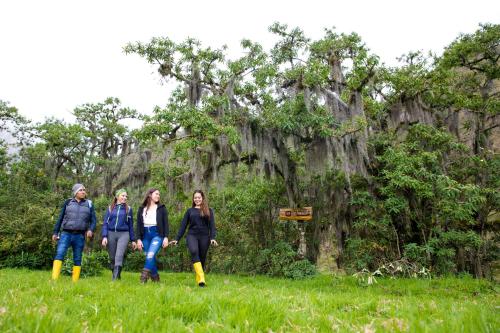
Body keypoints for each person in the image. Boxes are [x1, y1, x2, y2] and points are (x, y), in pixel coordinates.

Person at [170, 190, 218, 287]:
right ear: (193, 199)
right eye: (195, 197)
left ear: (202, 198)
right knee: (194, 251)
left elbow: (212, 226)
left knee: (202, 258)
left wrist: (212, 238)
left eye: (199, 197)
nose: (197, 199)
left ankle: (199, 279)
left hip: (205, 237)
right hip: (192, 236)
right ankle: (201, 280)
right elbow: (183, 226)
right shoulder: (189, 211)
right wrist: (177, 239)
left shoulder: (209, 210)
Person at [51, 183, 97, 282]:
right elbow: (60, 218)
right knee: (60, 254)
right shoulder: (68, 202)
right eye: (81, 190)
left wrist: (90, 230)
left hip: (80, 235)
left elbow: (93, 220)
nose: (83, 192)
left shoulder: (89, 204)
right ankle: (54, 280)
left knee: (77, 257)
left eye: (84, 190)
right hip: (66, 234)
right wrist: (55, 232)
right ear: (75, 192)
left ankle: (75, 281)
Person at [101, 188, 137, 280]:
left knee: (119, 256)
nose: (125, 198)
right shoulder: (110, 208)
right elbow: (105, 223)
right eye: (123, 196)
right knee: (112, 257)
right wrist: (104, 236)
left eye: (126, 196)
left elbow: (130, 225)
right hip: (111, 233)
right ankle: (116, 275)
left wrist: (133, 240)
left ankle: (115, 280)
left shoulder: (128, 209)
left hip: (124, 234)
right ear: (117, 197)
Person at [136, 188, 169, 283]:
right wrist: (138, 239)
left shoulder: (162, 208)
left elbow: (166, 224)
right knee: (149, 256)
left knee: (150, 255)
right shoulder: (141, 209)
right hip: (145, 235)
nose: (158, 196)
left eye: (159, 194)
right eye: (156, 194)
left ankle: (143, 278)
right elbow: (138, 225)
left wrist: (166, 238)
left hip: (157, 234)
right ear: (150, 195)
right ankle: (155, 278)